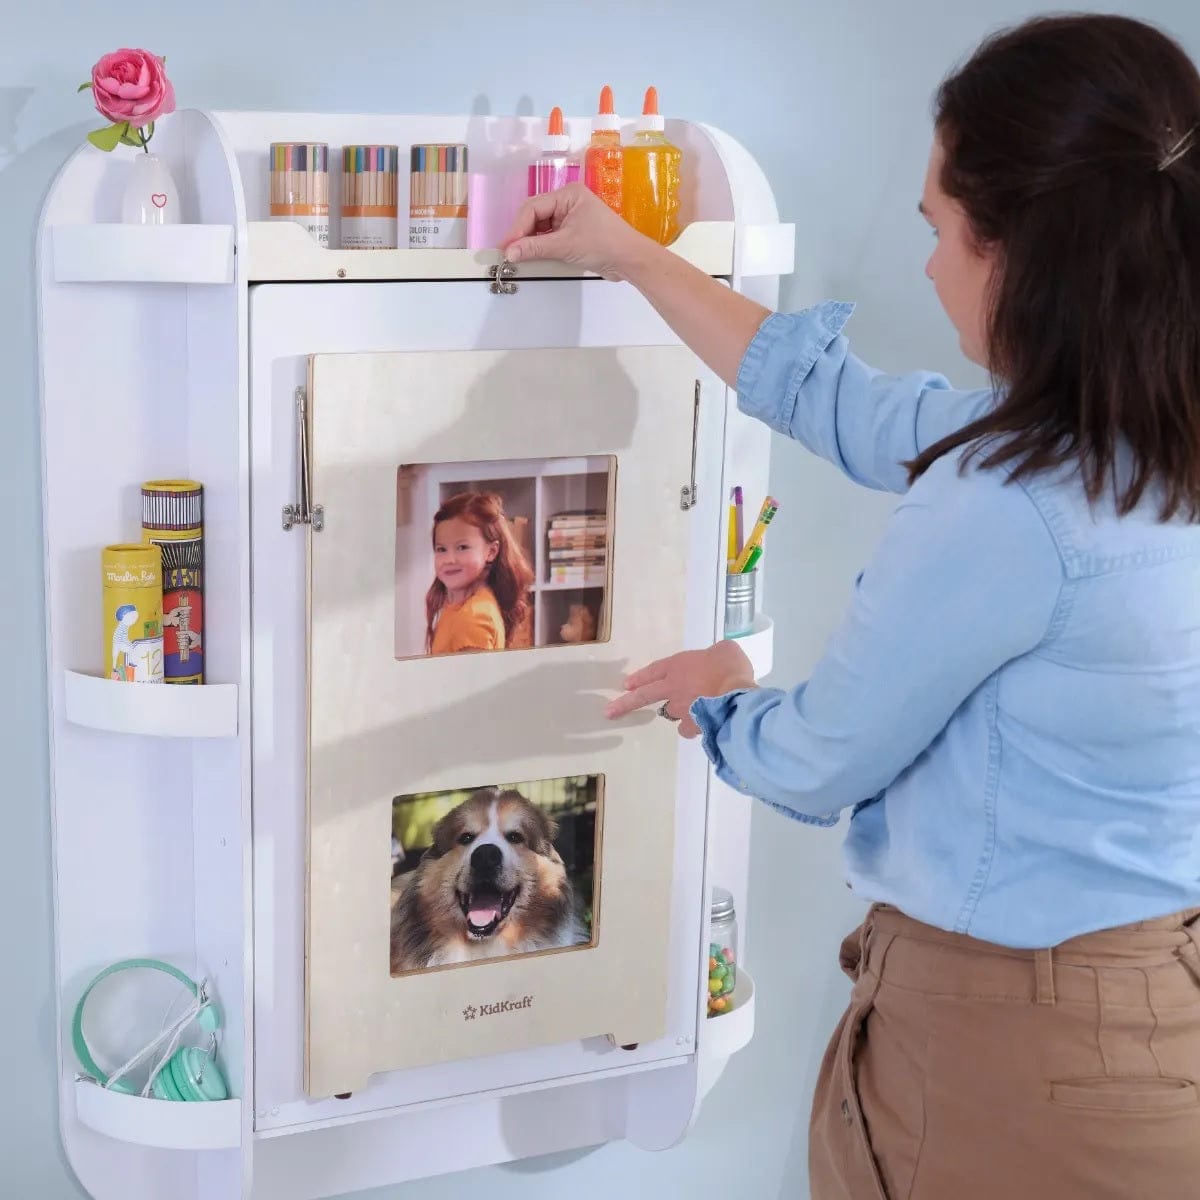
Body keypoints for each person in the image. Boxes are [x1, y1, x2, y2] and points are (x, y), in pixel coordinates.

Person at [503, 13, 1200, 1199]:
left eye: (939, 229)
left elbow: (825, 758)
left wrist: (728, 704)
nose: (926, 263)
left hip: (1011, 1049)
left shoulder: (1012, 500)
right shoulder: (1141, 432)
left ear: (1020, 247)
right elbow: (856, 408)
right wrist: (635, 254)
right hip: (1158, 1010)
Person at [425, 491, 533, 655]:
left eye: (462, 547)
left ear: (491, 551)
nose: (449, 559)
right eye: (442, 549)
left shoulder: (473, 618)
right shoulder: (461, 605)